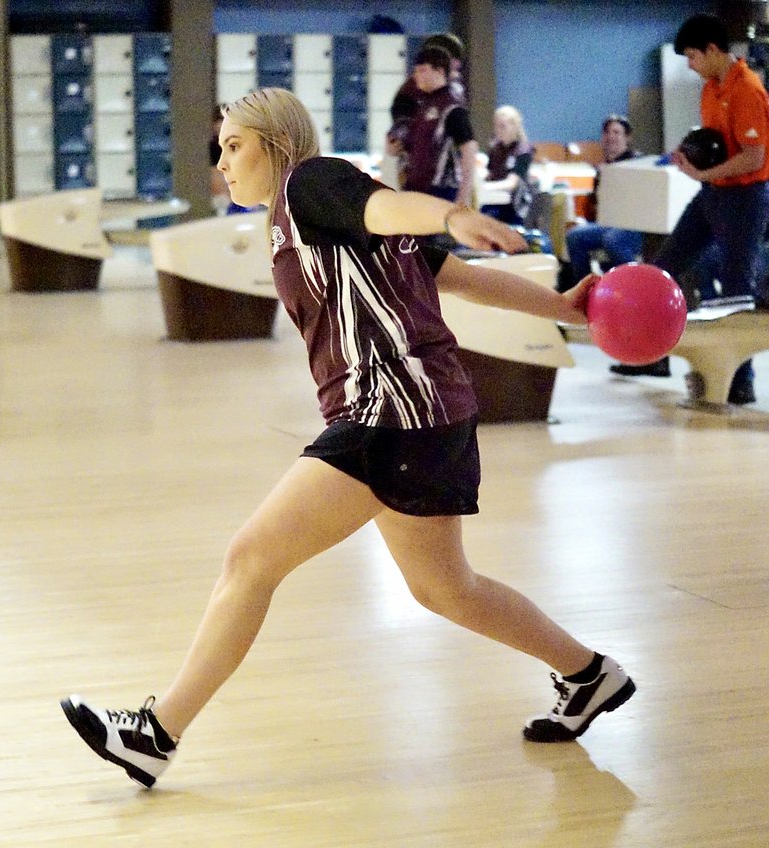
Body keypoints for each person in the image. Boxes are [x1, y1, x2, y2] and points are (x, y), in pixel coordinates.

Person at [60, 88, 636, 789]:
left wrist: (454, 213)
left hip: (390, 410)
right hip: (430, 414)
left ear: (276, 144)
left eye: (235, 146)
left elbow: (391, 207)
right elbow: (455, 278)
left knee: (250, 558)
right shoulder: (301, 219)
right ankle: (589, 674)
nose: (224, 163)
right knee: (446, 589)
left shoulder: (313, 183)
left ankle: (155, 734)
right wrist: (563, 310)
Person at [637, 13, 769, 404]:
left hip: (745, 199)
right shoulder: (711, 88)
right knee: (664, 267)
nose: (690, 67)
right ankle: (651, 354)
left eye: (693, 57)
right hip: (713, 194)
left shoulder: (748, 89)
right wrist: (689, 156)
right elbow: (716, 141)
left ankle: (738, 382)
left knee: (734, 288)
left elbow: (754, 156)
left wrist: (704, 172)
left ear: (713, 50)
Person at [564, 115, 644, 289]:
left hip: (634, 224)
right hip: (608, 222)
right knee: (574, 236)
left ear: (627, 137)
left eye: (617, 132)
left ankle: (639, 285)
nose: (611, 137)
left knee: (613, 240)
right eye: (607, 132)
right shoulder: (603, 168)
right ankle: (586, 289)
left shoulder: (638, 163)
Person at [385, 33, 466, 190]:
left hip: (443, 175)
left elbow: (463, 139)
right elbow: (400, 121)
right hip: (418, 171)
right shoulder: (412, 89)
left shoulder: (452, 90)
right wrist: (396, 139)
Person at [402, 46, 477, 211]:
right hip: (415, 187)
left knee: (435, 237)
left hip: (440, 189)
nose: (416, 76)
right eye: (415, 71)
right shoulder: (422, 106)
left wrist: (463, 197)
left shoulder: (452, 108)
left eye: (422, 70)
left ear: (440, 71)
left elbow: (469, 150)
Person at [480, 104, 536, 226]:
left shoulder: (524, 151)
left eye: (502, 126)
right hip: (494, 200)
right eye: (496, 126)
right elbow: (489, 173)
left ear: (515, 127)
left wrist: (483, 187)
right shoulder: (495, 147)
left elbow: (512, 184)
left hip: (514, 206)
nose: (498, 130)